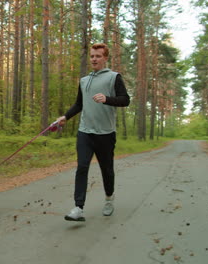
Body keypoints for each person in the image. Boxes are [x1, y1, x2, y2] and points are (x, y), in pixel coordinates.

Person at [56, 43, 130, 221]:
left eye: (98, 56)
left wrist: (107, 99)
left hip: (105, 133)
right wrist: (65, 116)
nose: (94, 59)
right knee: (82, 167)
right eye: (92, 56)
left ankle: (109, 199)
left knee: (107, 170)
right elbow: (79, 104)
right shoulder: (84, 80)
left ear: (105, 58)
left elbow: (125, 100)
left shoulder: (114, 77)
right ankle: (78, 207)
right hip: (85, 132)